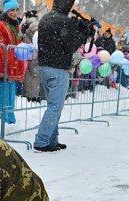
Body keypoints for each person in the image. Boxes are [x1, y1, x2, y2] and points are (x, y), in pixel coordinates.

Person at [33, 0, 94, 152]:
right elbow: (70, 46)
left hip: (44, 66)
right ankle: (41, 141)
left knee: (53, 106)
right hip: (58, 68)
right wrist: (82, 34)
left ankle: (52, 140)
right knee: (55, 107)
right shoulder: (63, 21)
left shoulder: (46, 18)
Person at [0, 0, 26, 125]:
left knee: (11, 90)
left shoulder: (16, 25)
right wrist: (11, 55)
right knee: (3, 89)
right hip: (3, 63)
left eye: (16, 10)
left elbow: (16, 43)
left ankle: (9, 117)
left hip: (13, 62)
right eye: (11, 10)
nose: (15, 13)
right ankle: (1, 118)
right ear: (6, 11)